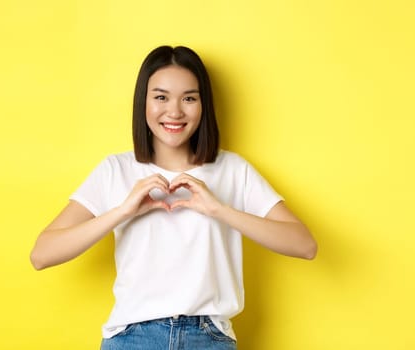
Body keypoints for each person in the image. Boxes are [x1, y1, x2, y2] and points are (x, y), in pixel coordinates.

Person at [29, 45, 317, 350]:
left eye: (189, 98)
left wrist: (218, 209)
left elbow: (304, 245)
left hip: (209, 338)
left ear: (203, 105)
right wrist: (122, 211)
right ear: (144, 103)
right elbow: (42, 254)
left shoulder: (232, 169)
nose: (175, 111)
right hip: (131, 338)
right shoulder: (116, 170)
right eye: (161, 97)